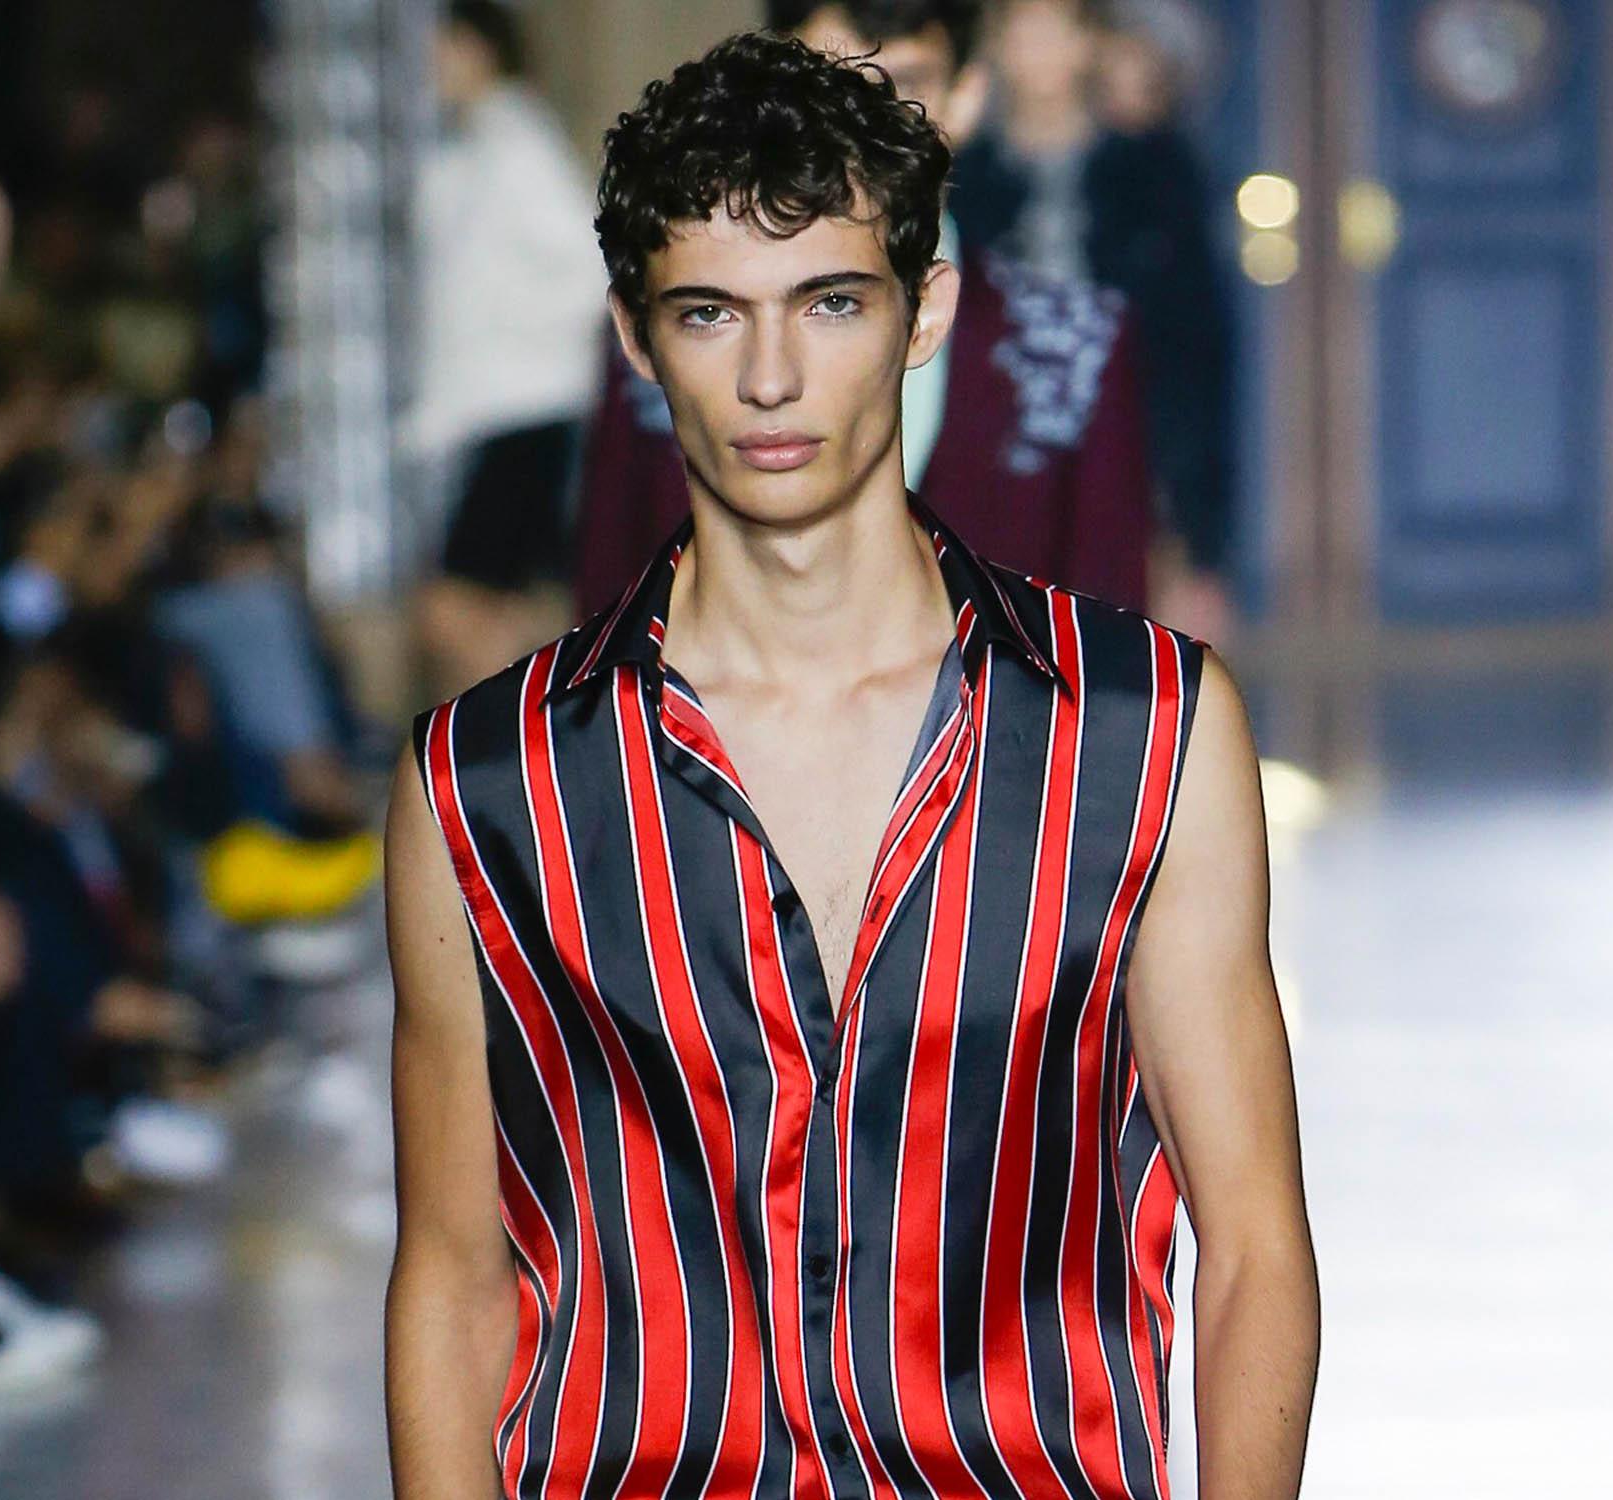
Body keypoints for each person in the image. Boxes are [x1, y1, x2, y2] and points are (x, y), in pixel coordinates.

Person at [386, 32, 1317, 1498]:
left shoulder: (1143, 735)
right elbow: (451, 1275)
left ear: (925, 310)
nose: (770, 375)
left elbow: (1253, 1244)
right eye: (708, 313)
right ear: (634, 341)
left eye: (828, 302)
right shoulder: (488, 783)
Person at [570, 0, 1152, 616]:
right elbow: (609, 601)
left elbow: (1107, 643)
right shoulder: (662, 322)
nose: (853, 124)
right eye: (824, 83)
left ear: (967, 95)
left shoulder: (1074, 342)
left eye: (900, 88)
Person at [953, 0, 1238, 646]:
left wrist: (1200, 542)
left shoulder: (1155, 174)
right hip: (994, 454)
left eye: (1059, 29)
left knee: (1130, 660)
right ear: (993, 46)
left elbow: (1197, 355)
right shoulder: (961, 180)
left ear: (1091, 42)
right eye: (1019, 31)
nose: (1041, 51)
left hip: (1134, 450)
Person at [408, 0, 608, 696]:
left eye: (443, 46)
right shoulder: (475, 146)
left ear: (477, 47)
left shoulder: (517, 142)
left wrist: (521, 339)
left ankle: (525, 753)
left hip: (522, 407)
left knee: (456, 606)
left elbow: (591, 267)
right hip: (494, 410)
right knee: (500, 607)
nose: (432, 65)